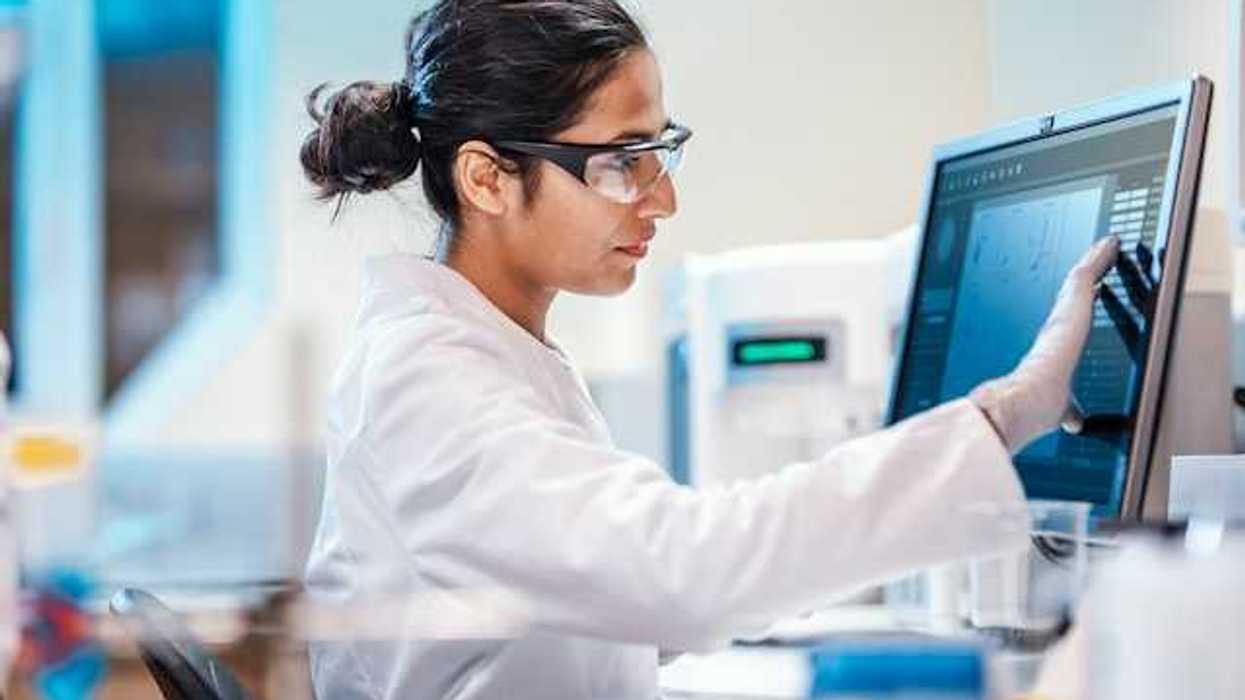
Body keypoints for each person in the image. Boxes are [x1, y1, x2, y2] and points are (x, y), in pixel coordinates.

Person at [300, 1, 1118, 698]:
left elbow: (613, 602)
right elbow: (678, 570)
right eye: (622, 161)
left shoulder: (492, 355)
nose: (663, 197)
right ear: (486, 180)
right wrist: (1003, 415)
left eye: (661, 150)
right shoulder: (427, 382)